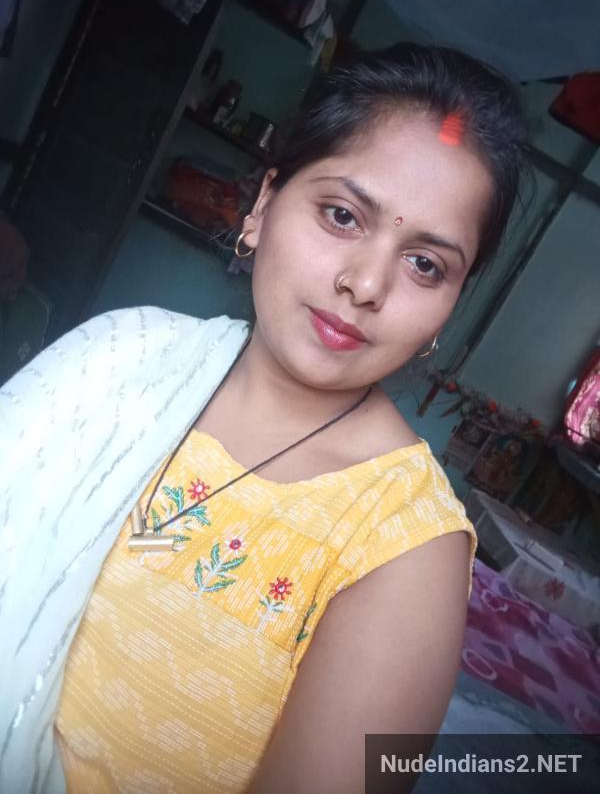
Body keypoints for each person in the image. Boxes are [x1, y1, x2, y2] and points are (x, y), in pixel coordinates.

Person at [0, 42, 526, 794]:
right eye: (342, 215)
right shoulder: (125, 355)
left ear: (449, 307)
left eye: (425, 264)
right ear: (263, 205)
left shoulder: (404, 549)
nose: (366, 283)